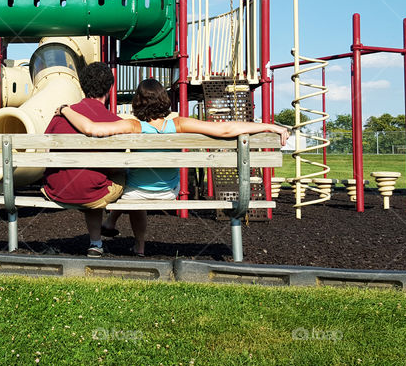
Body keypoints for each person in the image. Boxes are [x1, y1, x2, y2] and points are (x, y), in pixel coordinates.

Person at [56, 78, 289, 256]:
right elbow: (226, 130)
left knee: (126, 179)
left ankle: (134, 243)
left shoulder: (132, 125)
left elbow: (91, 129)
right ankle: (135, 242)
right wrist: (267, 126)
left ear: (138, 101)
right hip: (169, 191)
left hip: (136, 193)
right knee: (136, 182)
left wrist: (65, 109)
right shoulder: (179, 124)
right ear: (164, 100)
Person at [42, 62, 125, 258]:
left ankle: (96, 243)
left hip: (55, 190)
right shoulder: (113, 121)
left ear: (82, 86)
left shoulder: (59, 116)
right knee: (104, 178)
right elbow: (115, 165)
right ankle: (98, 241)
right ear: (110, 88)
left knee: (91, 177)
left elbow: (47, 150)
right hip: (92, 193)